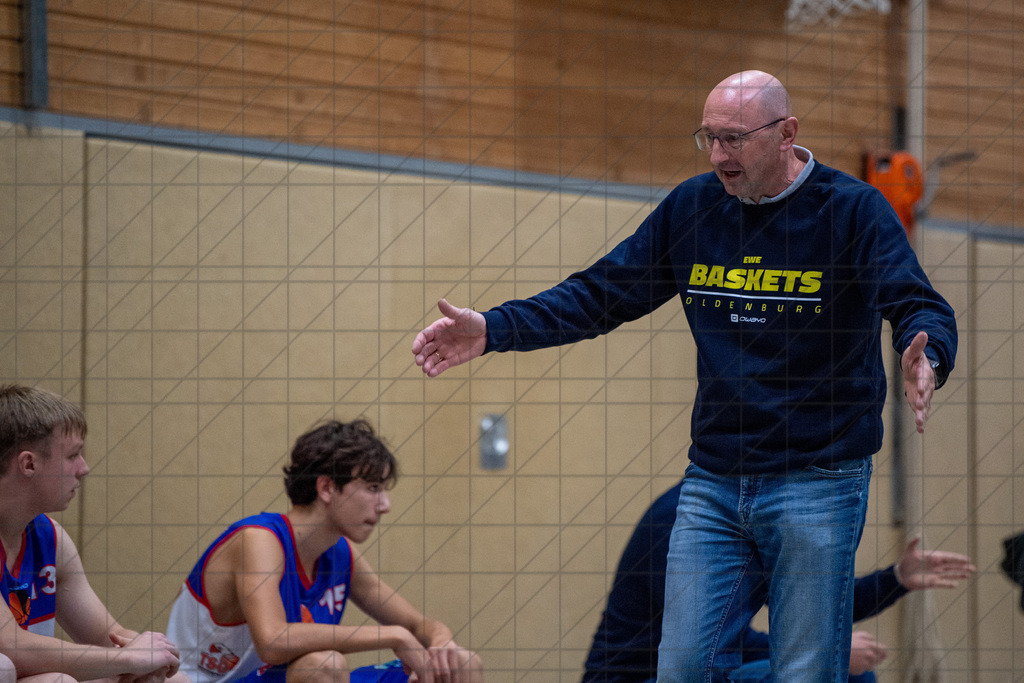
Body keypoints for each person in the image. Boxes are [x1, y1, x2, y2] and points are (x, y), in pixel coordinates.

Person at [411, 69, 958, 681]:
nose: (718, 155)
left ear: (786, 134)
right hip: (715, 481)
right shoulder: (693, 209)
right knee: (683, 669)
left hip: (818, 478)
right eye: (708, 138)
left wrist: (928, 354)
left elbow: (919, 304)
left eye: (734, 139)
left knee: (806, 670)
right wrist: (494, 328)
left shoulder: (853, 210)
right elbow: (600, 293)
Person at [167, 418, 483, 683]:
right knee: (323, 665)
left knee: (462, 664)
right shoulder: (259, 539)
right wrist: (393, 636)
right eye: (373, 488)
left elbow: (417, 624)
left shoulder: (340, 553)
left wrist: (441, 643)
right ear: (327, 488)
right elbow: (272, 642)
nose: (385, 505)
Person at [581, 481, 975, 682]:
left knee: (851, 673)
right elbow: (708, 650)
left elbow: (817, 604)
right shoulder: (683, 524)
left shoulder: (755, 513)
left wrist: (897, 578)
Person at [0, 384, 185, 683]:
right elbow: (10, 645)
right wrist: (129, 659)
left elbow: (111, 638)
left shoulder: (50, 538)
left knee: (173, 680)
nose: (84, 468)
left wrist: (150, 655)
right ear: (29, 464)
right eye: (73, 455)